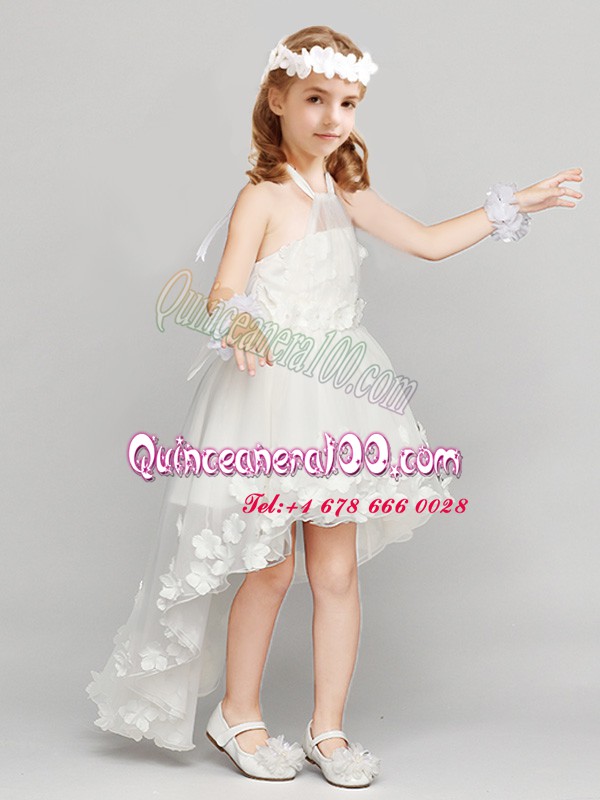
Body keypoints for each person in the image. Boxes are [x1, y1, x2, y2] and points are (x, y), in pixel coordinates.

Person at [85, 25, 583, 788]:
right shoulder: (262, 196)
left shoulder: (347, 194)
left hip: (341, 399)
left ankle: (329, 728)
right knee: (269, 569)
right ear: (277, 99)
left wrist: (511, 206)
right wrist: (240, 320)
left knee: (338, 572)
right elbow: (224, 290)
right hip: (271, 397)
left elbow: (426, 241)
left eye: (347, 103)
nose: (332, 117)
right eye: (316, 99)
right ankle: (238, 714)